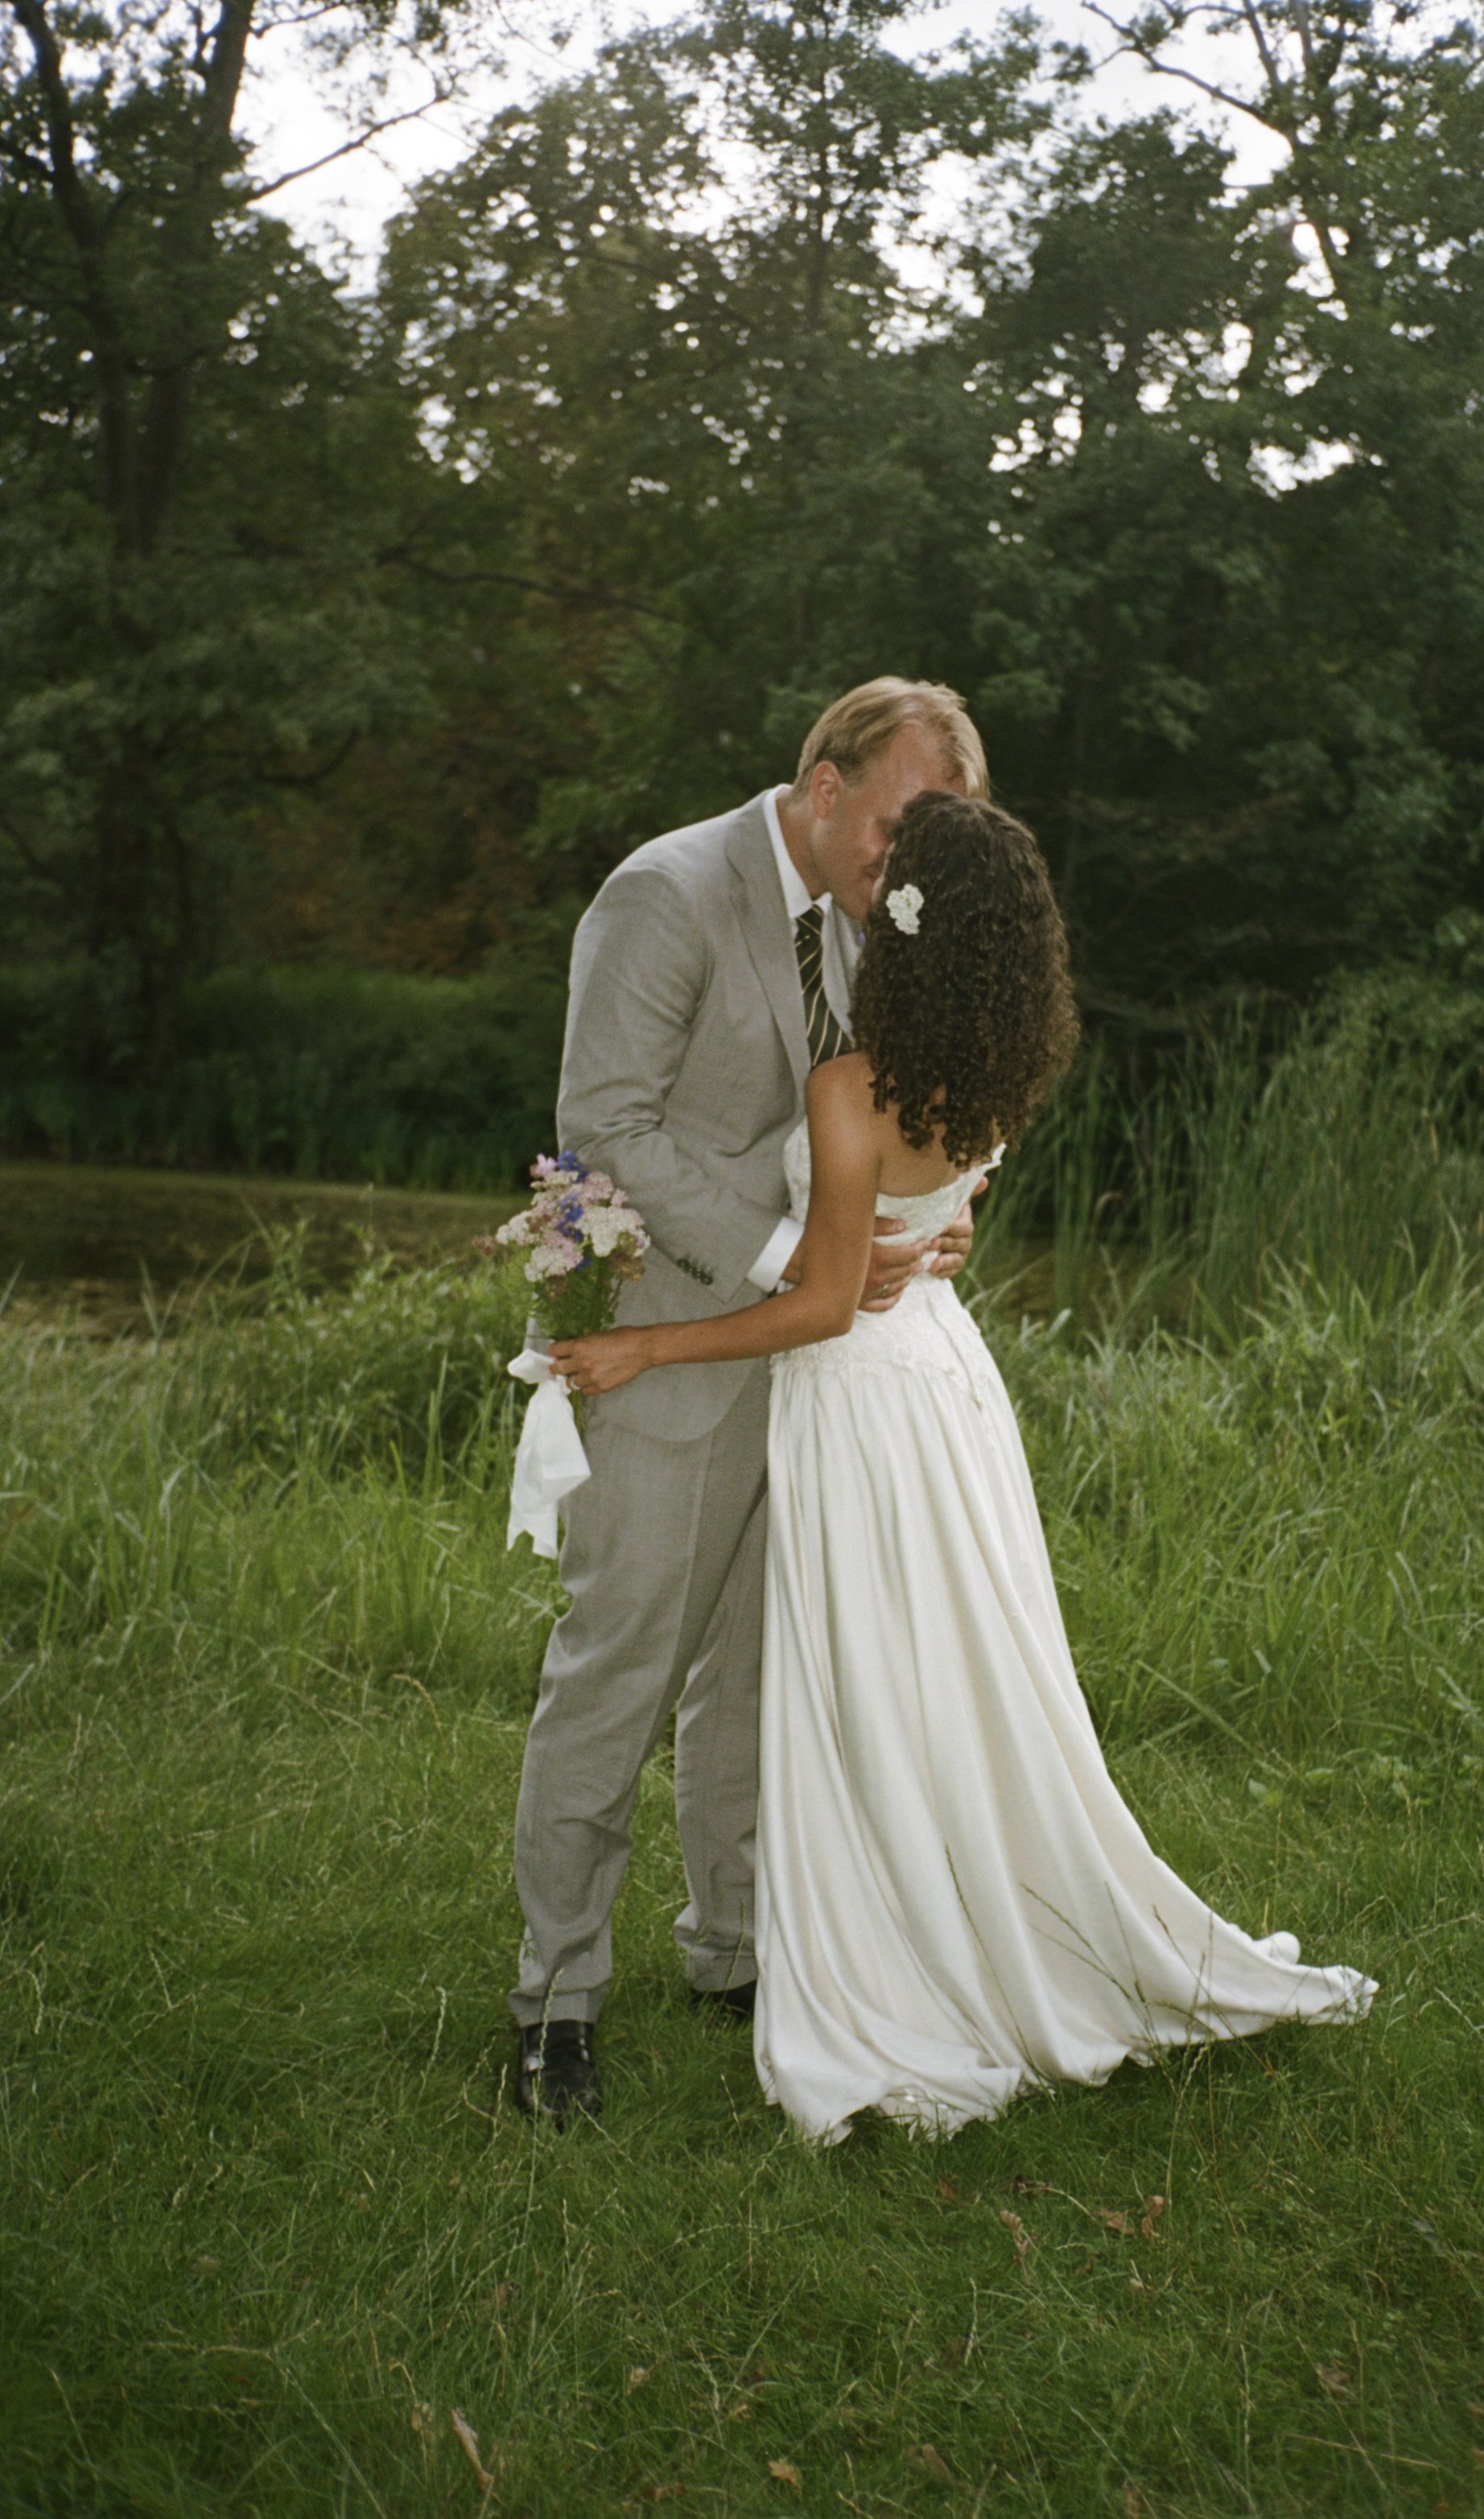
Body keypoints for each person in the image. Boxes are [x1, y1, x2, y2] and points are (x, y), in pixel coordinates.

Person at [554, 790, 1375, 2145]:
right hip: (948, 1390)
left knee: (861, 1676)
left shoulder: (850, 1087)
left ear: (915, 923)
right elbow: (936, 1227)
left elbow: (822, 1302)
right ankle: (949, 1909)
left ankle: (891, 1947)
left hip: (861, 1397)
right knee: (955, 1673)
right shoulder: (989, 1078)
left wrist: (649, 1353)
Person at [511, 678, 989, 2125]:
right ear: (827, 779)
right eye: (900, 823)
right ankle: (554, 2002)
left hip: (816, 1367)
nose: (903, 866)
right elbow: (605, 1123)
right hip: (667, 1340)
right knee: (624, 1668)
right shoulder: (663, 893)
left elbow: (874, 1127)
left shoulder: (870, 918)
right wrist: (800, 1257)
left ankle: (731, 1944)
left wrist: (924, 1226)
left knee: (759, 1669)